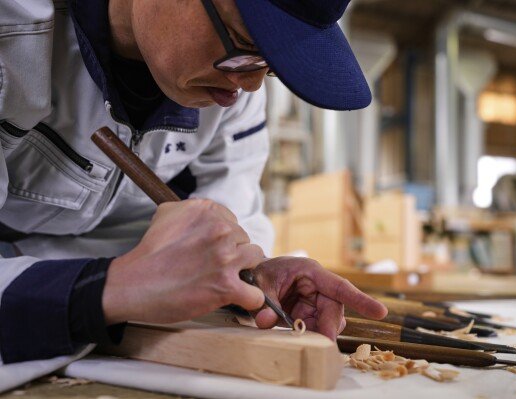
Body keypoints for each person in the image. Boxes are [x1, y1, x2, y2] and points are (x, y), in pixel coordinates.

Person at [0, 0, 387, 390]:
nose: (249, 86)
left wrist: (248, 276)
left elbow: (232, 216)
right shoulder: (11, 28)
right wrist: (114, 287)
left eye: (268, 64)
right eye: (243, 41)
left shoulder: (233, 82)